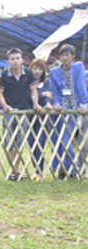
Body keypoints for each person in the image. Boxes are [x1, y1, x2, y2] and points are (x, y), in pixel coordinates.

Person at [0, 48, 38, 180]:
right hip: (9, 112)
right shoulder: (4, 75)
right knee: (9, 142)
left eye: (17, 58)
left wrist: (35, 104)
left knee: (20, 143)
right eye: (12, 59)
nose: (15, 61)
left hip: (23, 112)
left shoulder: (28, 73)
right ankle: (12, 171)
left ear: (22, 60)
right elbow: (0, 93)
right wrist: (4, 106)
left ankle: (16, 170)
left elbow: (33, 90)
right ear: (8, 61)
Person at [50, 43, 88, 179]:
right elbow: (55, 93)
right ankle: (68, 169)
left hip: (80, 108)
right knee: (63, 140)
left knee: (84, 141)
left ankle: (80, 170)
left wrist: (84, 104)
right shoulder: (54, 72)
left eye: (67, 54)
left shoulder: (78, 67)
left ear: (73, 56)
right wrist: (56, 104)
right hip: (64, 111)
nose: (65, 57)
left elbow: (81, 86)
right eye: (62, 55)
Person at [30, 59, 53, 180]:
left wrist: (48, 102)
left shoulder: (47, 82)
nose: (37, 71)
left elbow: (49, 96)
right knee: (30, 143)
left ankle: (39, 171)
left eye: (39, 69)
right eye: (35, 68)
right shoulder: (28, 83)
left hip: (42, 117)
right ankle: (35, 168)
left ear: (43, 70)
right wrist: (42, 94)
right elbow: (28, 96)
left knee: (40, 142)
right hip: (29, 116)